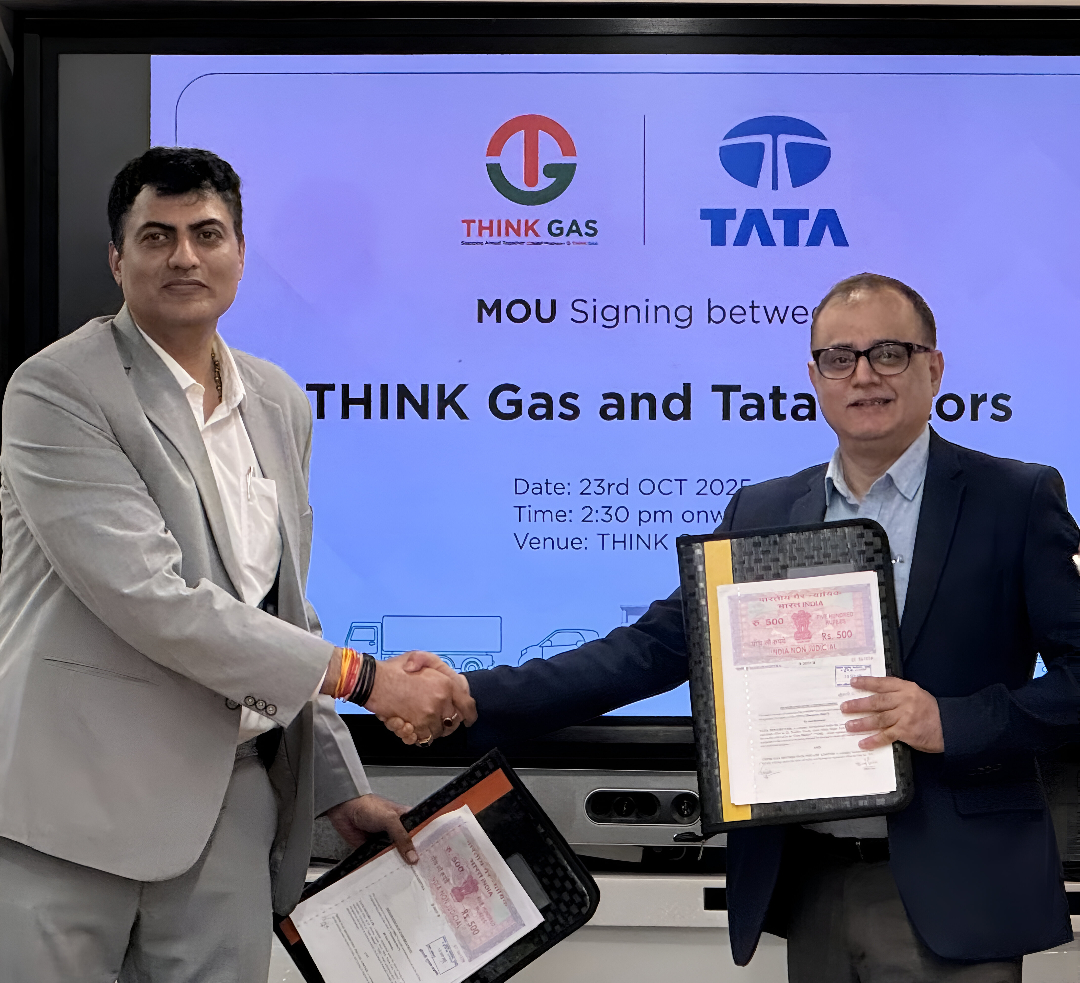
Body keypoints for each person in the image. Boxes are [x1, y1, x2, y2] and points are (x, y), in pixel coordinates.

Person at [390, 273, 1080, 981]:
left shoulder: (1015, 498)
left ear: (934, 367)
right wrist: (472, 694)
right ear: (814, 379)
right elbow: (650, 649)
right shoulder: (763, 512)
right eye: (839, 358)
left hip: (960, 889)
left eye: (889, 353)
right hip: (810, 881)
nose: (864, 375)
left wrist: (950, 721)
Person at [0, 146, 474, 983]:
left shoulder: (278, 399)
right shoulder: (57, 389)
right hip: (75, 810)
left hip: (231, 806)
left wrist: (338, 786)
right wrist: (367, 679)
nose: (184, 256)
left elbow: (282, 613)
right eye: (156, 236)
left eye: (207, 233)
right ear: (116, 260)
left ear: (242, 254)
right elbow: (152, 599)